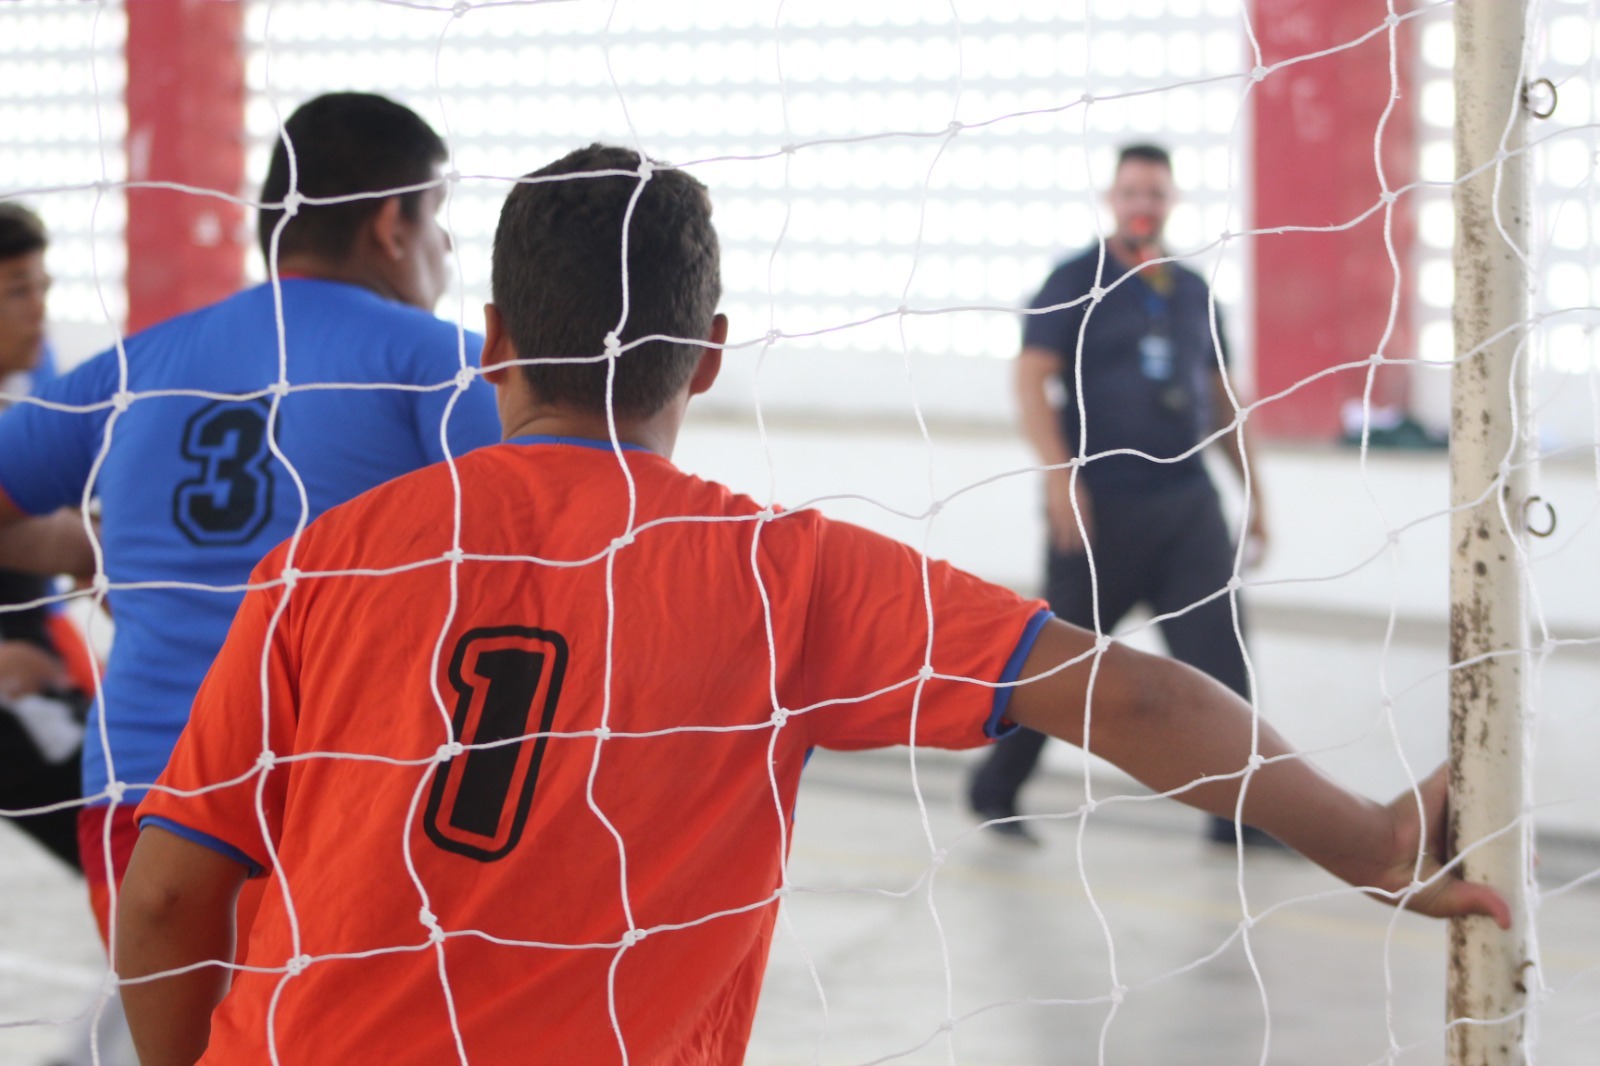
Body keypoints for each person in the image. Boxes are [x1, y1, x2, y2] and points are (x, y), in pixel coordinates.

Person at [115, 144, 1507, 1066]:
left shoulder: (331, 555)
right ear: (708, 357)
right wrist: (1370, 833)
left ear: (490, 347)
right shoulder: (778, 570)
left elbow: (173, 893)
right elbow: (1127, 691)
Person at [0, 93, 501, 942]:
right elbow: (561, 553)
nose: (446, 250)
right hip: (331, 812)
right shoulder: (442, 366)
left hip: (140, 814)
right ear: (392, 224)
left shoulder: (141, 361)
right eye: (439, 218)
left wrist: (113, 550)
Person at [968, 143, 1270, 846]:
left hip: (1188, 507)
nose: (1144, 204)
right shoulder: (1075, 278)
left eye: (1156, 194)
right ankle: (995, 787)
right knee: (1062, 668)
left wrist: (1255, 494)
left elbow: (1224, 398)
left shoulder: (1193, 291)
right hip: (1100, 510)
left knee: (1223, 665)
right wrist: (1058, 475)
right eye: (1132, 191)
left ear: (1171, 203)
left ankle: (1240, 814)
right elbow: (1030, 379)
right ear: (1113, 196)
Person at [0, 202, 93, 870]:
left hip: (38, 648)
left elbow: (70, 525)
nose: (38, 309)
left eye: (42, 288)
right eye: (16, 293)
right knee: (124, 832)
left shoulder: (41, 374)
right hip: (15, 681)